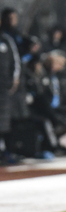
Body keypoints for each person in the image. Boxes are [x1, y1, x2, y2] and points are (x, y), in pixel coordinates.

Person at [0, 31, 20, 164]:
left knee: (3, 121)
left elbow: (15, 62)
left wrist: (13, 81)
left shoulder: (6, 40)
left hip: (3, 88)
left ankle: (3, 151)